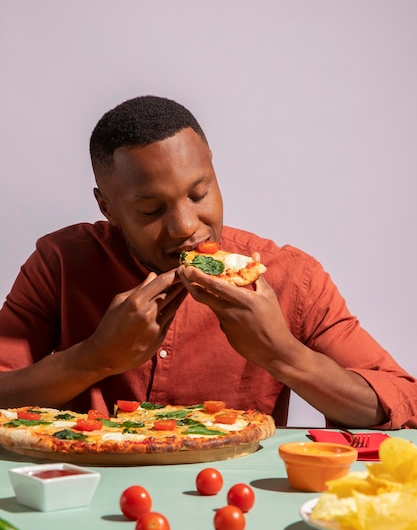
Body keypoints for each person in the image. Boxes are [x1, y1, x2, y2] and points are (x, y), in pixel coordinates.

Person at [0, 95, 416, 428]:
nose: (185, 227)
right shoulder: (60, 263)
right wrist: (94, 358)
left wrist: (283, 354)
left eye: (199, 194)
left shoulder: (291, 278)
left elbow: (401, 401)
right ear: (107, 207)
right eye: (150, 210)